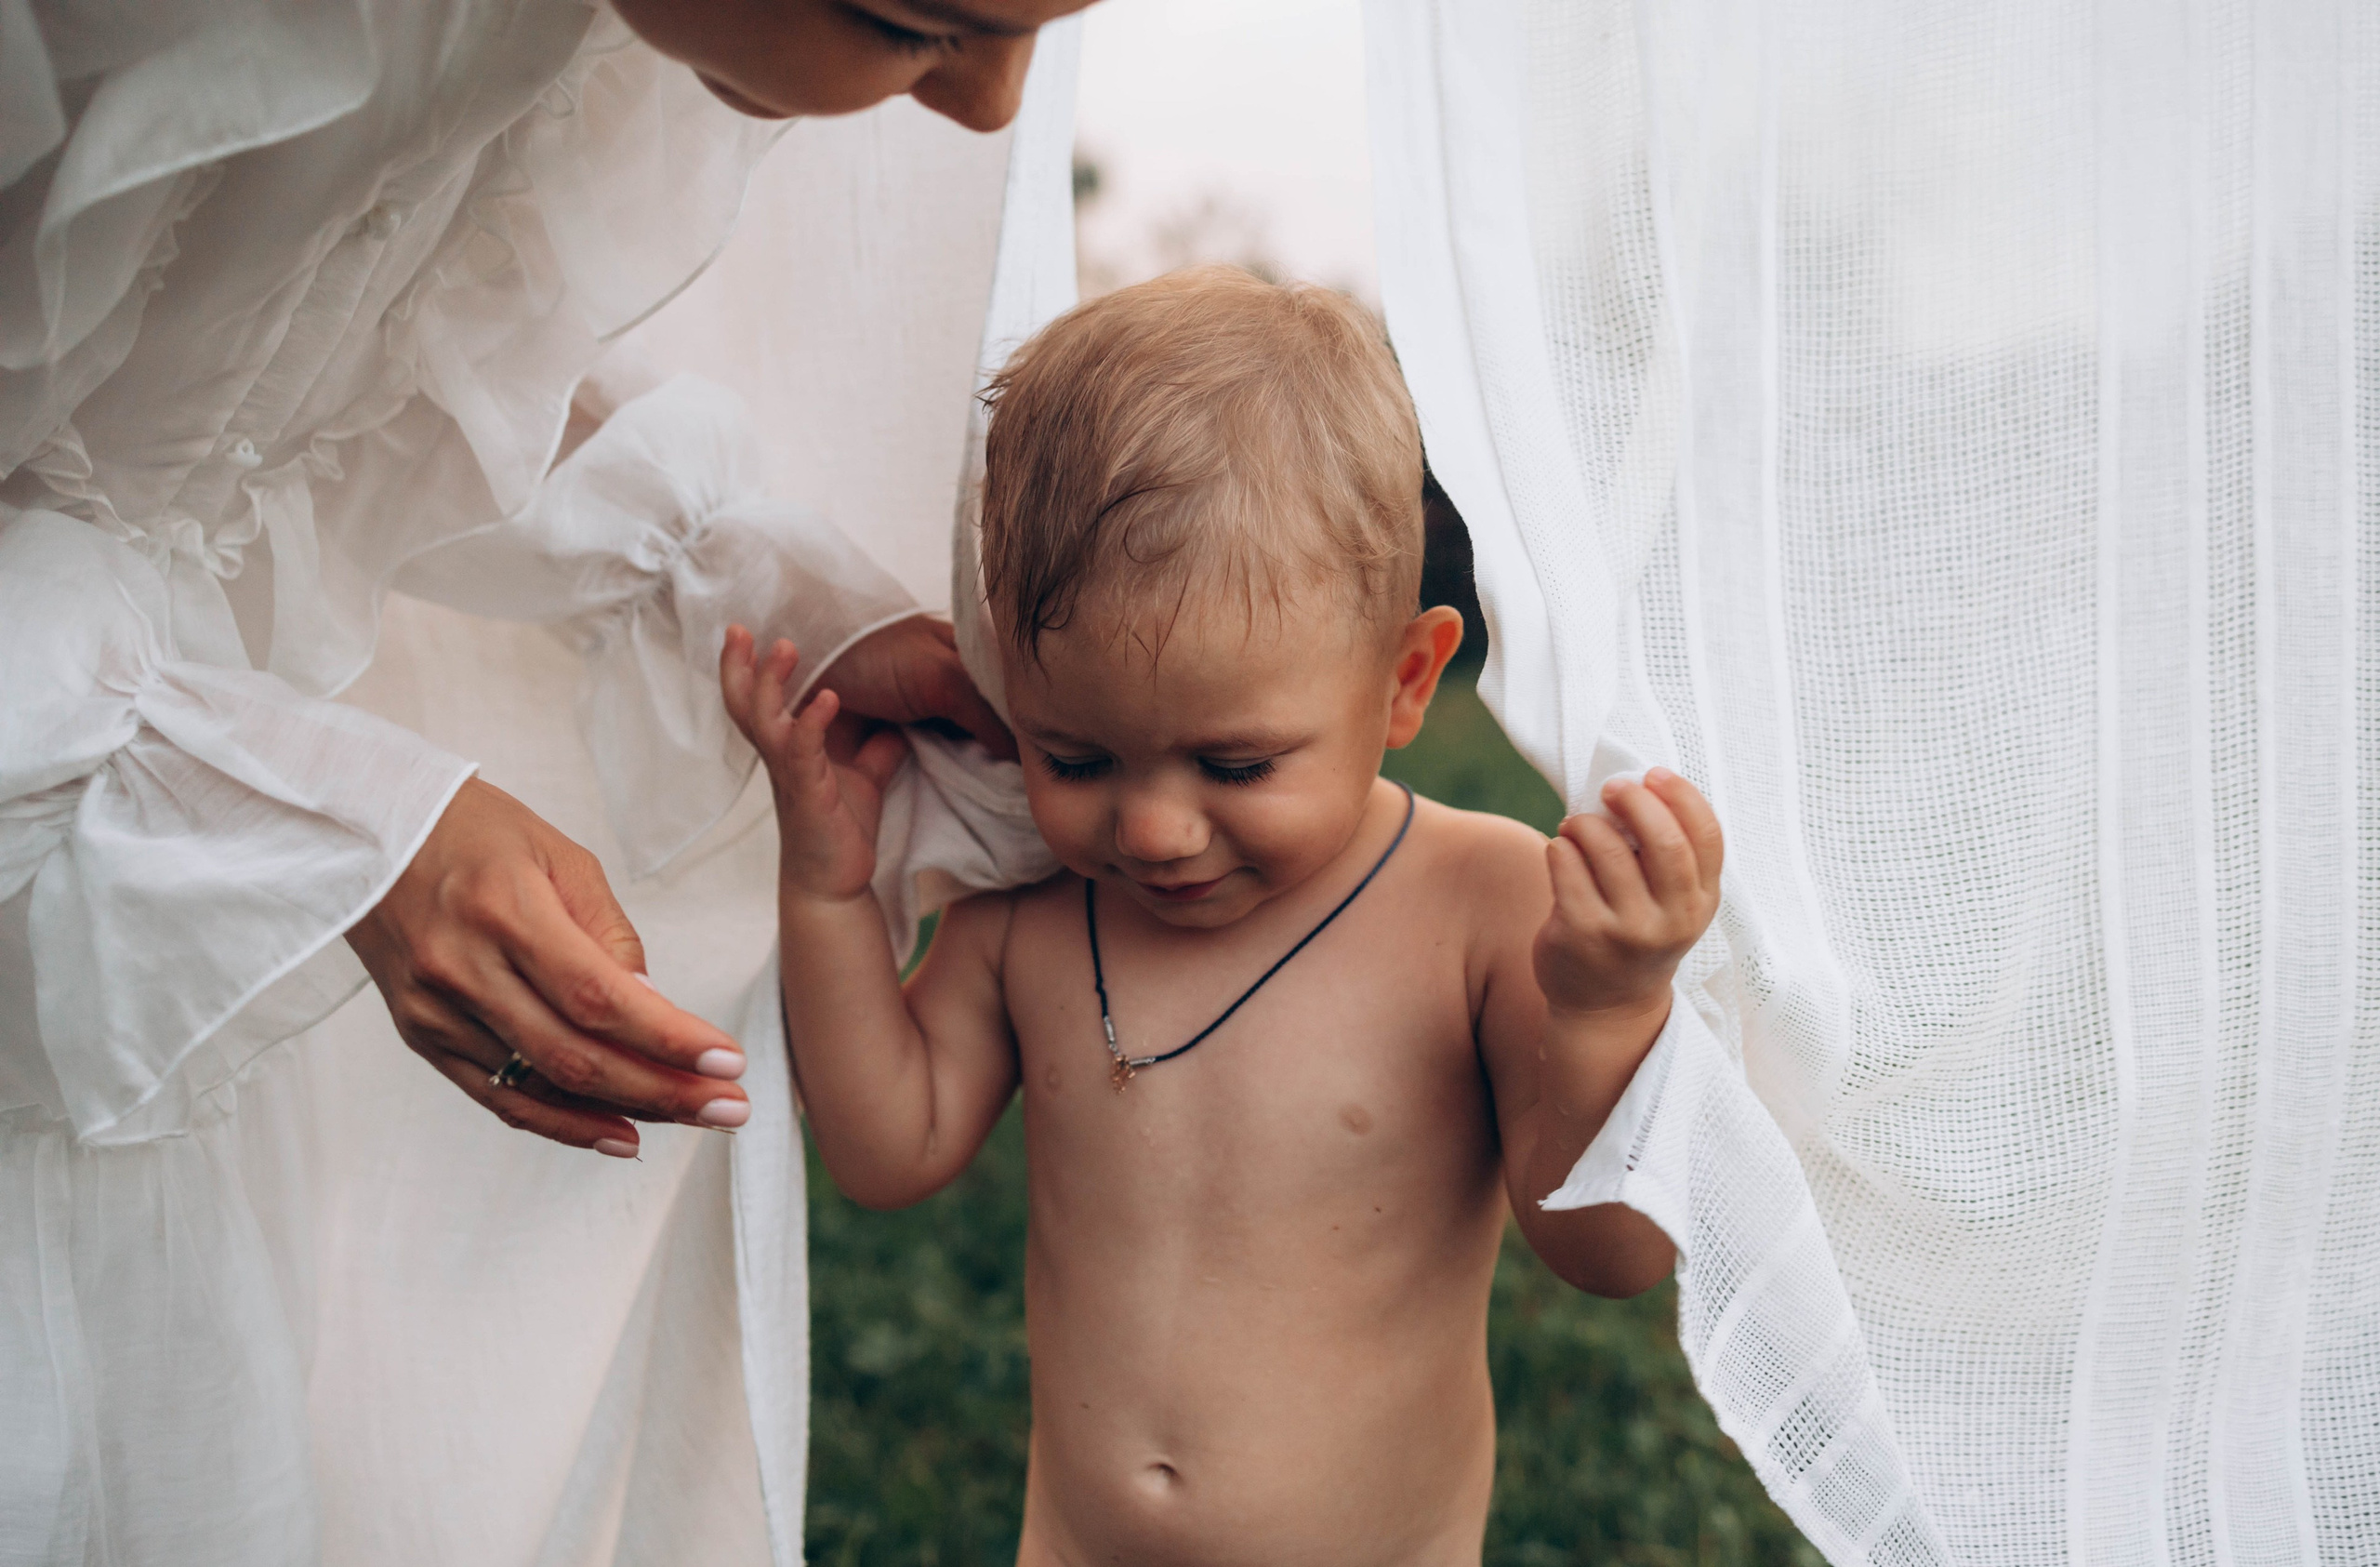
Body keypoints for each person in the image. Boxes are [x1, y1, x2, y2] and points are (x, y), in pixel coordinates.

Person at [1, 2, 1082, 1562]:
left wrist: (762, 599)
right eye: (916, 21)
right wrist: (318, 826)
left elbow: (273, 395)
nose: (990, 110)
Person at [721, 268, 1719, 1562]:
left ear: (1406, 680)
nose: (1151, 830)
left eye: (1234, 765)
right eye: (1073, 757)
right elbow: (887, 1144)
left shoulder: (1483, 906)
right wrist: (827, 887)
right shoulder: (1032, 911)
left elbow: (1611, 1251)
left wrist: (1606, 1008)